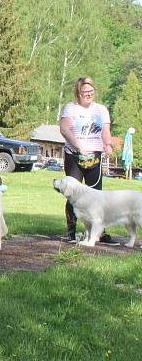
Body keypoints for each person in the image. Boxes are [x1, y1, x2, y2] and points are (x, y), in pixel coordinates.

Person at [59, 77, 119, 245]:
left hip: (94, 157)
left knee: (97, 196)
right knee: (73, 193)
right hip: (74, 156)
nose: (88, 94)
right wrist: (78, 146)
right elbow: (64, 129)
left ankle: (99, 232)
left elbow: (105, 132)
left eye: (91, 91)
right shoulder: (71, 108)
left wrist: (107, 144)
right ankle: (71, 231)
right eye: (85, 92)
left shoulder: (101, 110)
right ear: (78, 93)